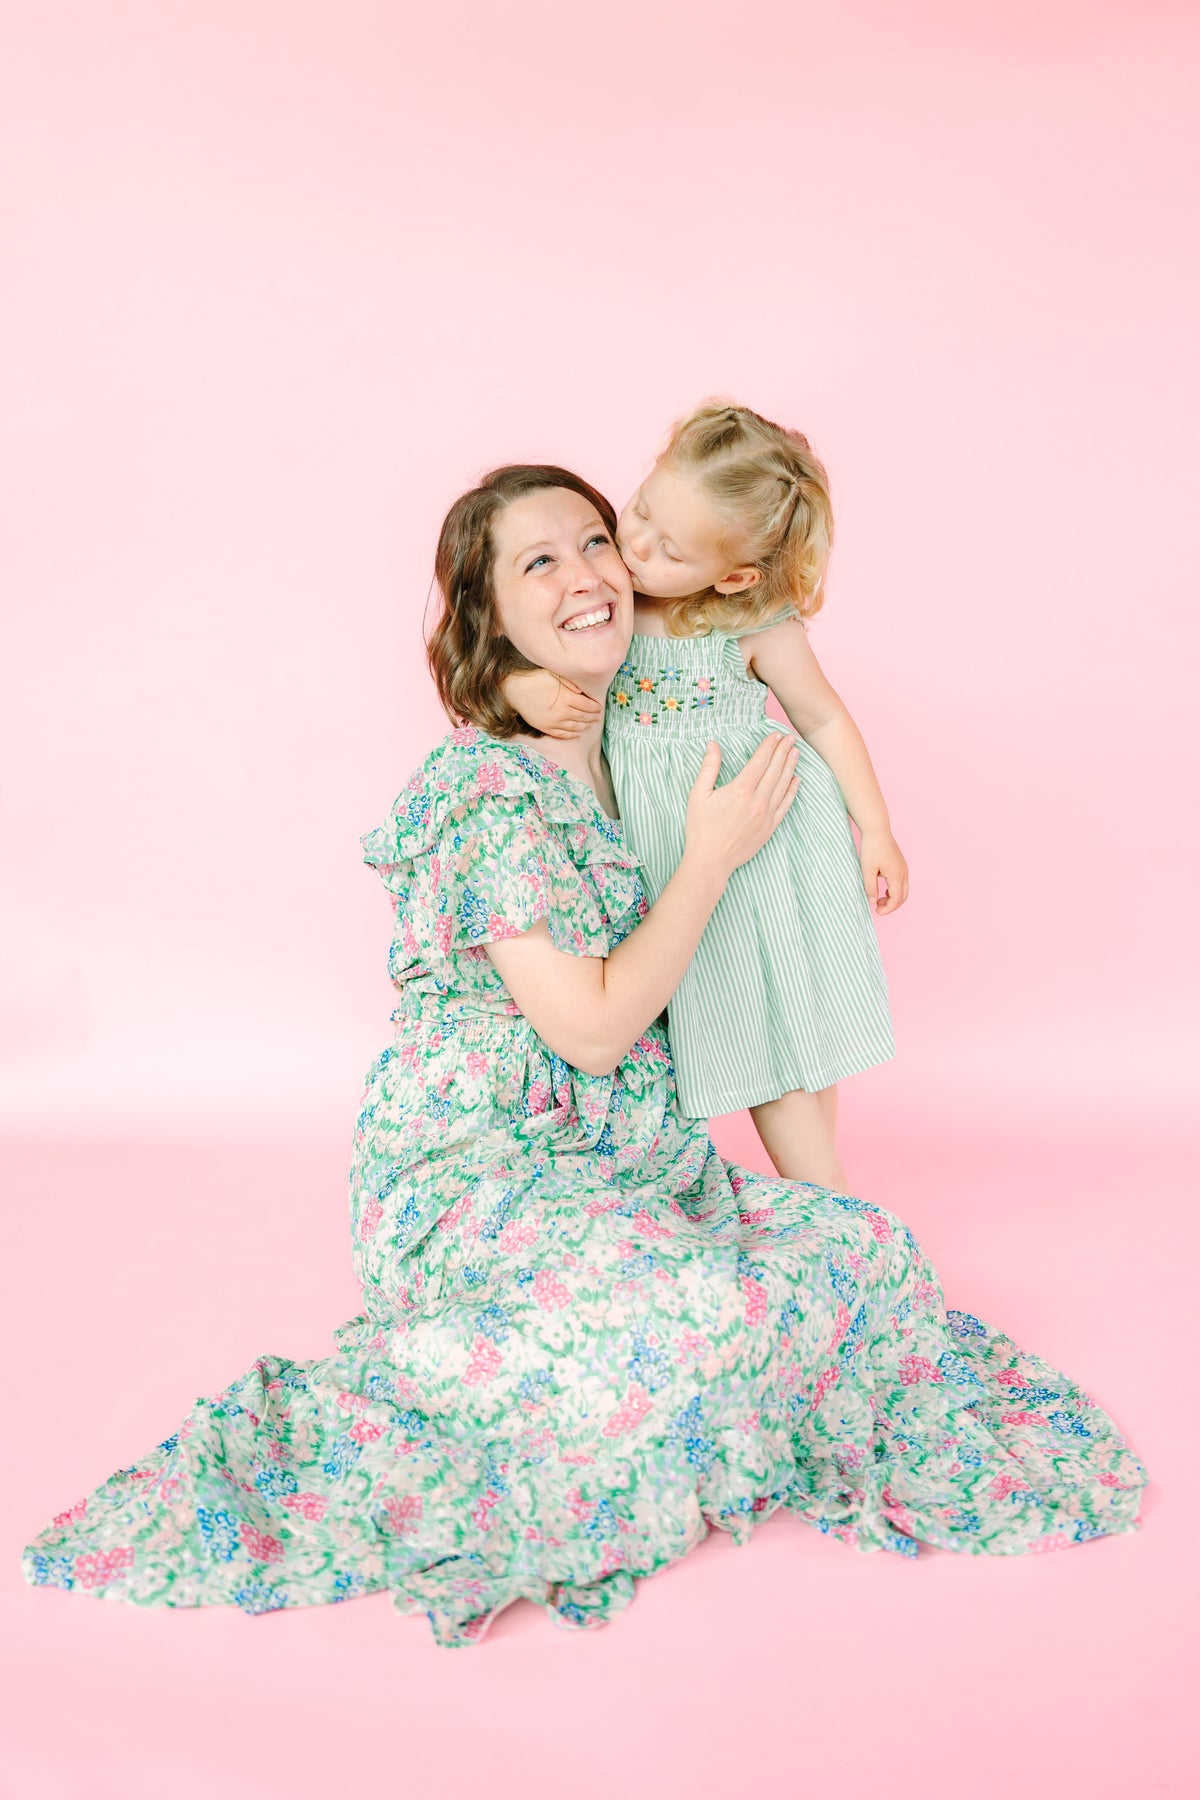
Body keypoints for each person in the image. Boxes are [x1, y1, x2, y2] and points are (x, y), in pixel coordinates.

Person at [23, 464, 1146, 1649]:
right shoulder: (482, 797)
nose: (588, 575)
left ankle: (699, 1334)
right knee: (685, 1317)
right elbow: (597, 1029)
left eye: (597, 541)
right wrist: (708, 858)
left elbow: (733, 596)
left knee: (859, 1247)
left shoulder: (642, 725)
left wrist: (849, 824)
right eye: (537, 564)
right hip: (480, 1170)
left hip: (634, 1162)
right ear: (488, 614)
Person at [503, 402, 904, 1190]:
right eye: (640, 510)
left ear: (733, 576)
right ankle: (826, 1203)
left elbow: (822, 715)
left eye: (669, 547)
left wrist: (877, 826)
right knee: (750, 1030)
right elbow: (520, 647)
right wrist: (524, 687)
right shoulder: (607, 606)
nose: (633, 545)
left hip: (763, 841)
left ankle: (829, 1205)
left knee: (786, 1027)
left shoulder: (748, 625)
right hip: (677, 854)